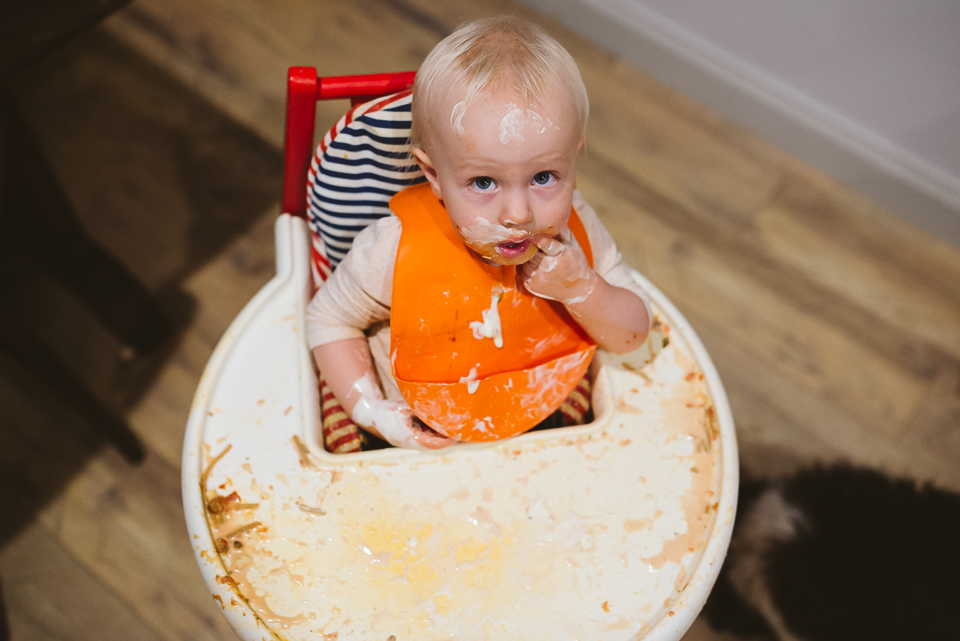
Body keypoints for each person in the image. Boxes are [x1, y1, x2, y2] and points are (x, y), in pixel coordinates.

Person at [306, 16, 650, 450]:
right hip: (414, 432)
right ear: (433, 175)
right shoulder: (393, 251)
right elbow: (326, 320)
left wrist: (582, 288)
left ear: (574, 159)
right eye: (484, 183)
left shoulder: (577, 237)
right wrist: (375, 413)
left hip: (542, 410)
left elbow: (632, 336)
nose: (519, 213)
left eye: (544, 176)